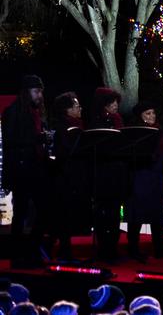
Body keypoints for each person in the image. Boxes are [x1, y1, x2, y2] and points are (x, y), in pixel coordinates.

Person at [1, 75, 52, 267]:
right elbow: (9, 141)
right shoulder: (13, 112)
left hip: (36, 167)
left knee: (42, 210)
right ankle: (19, 255)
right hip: (21, 169)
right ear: (26, 91)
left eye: (40, 91)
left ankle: (31, 251)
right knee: (21, 212)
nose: (40, 95)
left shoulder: (35, 112)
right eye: (36, 91)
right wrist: (37, 139)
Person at [126, 101, 163, 261]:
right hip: (141, 176)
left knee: (157, 215)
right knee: (137, 214)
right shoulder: (136, 132)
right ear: (140, 116)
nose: (152, 116)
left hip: (156, 176)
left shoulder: (159, 132)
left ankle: (160, 249)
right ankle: (133, 249)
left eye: (153, 113)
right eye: (148, 113)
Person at [49, 92, 90, 261]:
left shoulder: (78, 126)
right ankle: (62, 251)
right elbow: (65, 153)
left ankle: (65, 251)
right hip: (66, 178)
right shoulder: (64, 128)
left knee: (69, 215)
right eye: (76, 106)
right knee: (64, 216)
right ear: (67, 110)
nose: (80, 108)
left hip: (75, 176)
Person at [88, 86, 128, 262]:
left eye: (116, 102)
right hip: (103, 173)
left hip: (115, 172)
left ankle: (111, 247)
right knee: (103, 212)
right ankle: (104, 247)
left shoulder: (118, 120)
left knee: (113, 212)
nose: (115, 105)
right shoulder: (96, 122)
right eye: (111, 103)